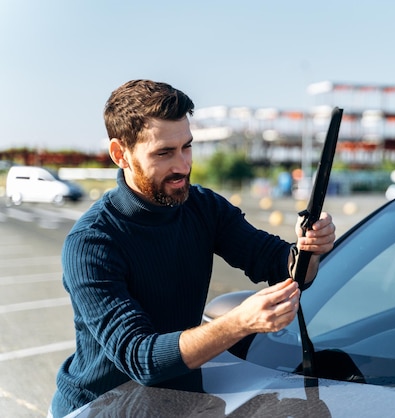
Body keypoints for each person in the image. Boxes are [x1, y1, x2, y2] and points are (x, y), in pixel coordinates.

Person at [49, 80, 336, 417]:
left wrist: (308, 249)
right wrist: (238, 323)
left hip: (178, 404)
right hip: (100, 408)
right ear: (120, 154)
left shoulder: (203, 207)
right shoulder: (92, 243)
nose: (183, 166)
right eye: (164, 153)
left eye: (187, 147)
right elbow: (141, 360)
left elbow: (277, 263)